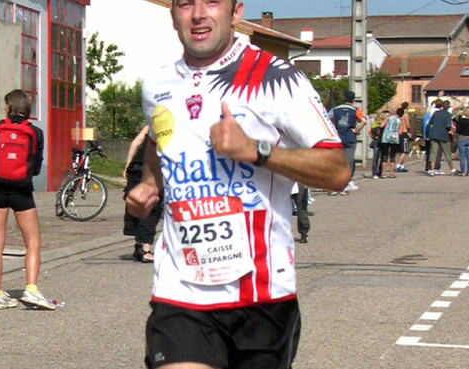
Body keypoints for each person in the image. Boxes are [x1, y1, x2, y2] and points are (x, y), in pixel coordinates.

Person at [128, 1, 350, 368]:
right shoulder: (157, 86)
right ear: (173, 15)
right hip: (180, 290)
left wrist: (255, 150)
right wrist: (150, 186)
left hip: (262, 296)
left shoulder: (278, 78)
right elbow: (159, 142)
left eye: (212, 2)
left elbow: (337, 170)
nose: (198, 14)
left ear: (236, 13)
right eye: (186, 4)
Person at [0, 89, 55, 310]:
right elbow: (37, 168)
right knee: (32, 242)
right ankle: (31, 289)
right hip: (22, 191)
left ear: (8, 106)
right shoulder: (35, 132)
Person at [123, 125, 161, 262]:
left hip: (136, 166)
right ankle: (145, 249)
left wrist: (128, 165)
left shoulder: (150, 125)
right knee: (152, 208)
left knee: (137, 204)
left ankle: (138, 245)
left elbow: (136, 143)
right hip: (153, 168)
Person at [328, 90, 364, 194]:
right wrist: (357, 130)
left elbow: (326, 118)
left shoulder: (335, 109)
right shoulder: (355, 110)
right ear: (353, 100)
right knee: (348, 162)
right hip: (350, 137)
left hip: (337, 137)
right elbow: (364, 121)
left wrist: (332, 129)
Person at [427, 100, 457, 176]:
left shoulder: (435, 113)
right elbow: (448, 125)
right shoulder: (448, 114)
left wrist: (428, 134)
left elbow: (429, 124)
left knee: (433, 153)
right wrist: (450, 132)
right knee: (447, 152)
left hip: (433, 135)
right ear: (448, 107)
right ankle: (452, 169)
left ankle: (432, 170)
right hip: (443, 135)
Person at [455, 107, 469, 176]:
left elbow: (458, 130)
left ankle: (463, 172)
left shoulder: (460, 121)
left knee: (462, 156)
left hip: (462, 138)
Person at [379, 110, 400, 178]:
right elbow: (400, 131)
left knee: (384, 156)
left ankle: (383, 173)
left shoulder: (388, 118)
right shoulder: (399, 120)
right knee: (392, 156)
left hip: (386, 138)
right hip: (394, 139)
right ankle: (391, 173)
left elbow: (382, 125)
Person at [394, 102, 411, 172]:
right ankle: (398, 165)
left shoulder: (399, 115)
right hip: (404, 133)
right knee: (405, 151)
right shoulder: (405, 115)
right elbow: (408, 125)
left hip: (400, 133)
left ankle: (401, 165)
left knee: (402, 150)